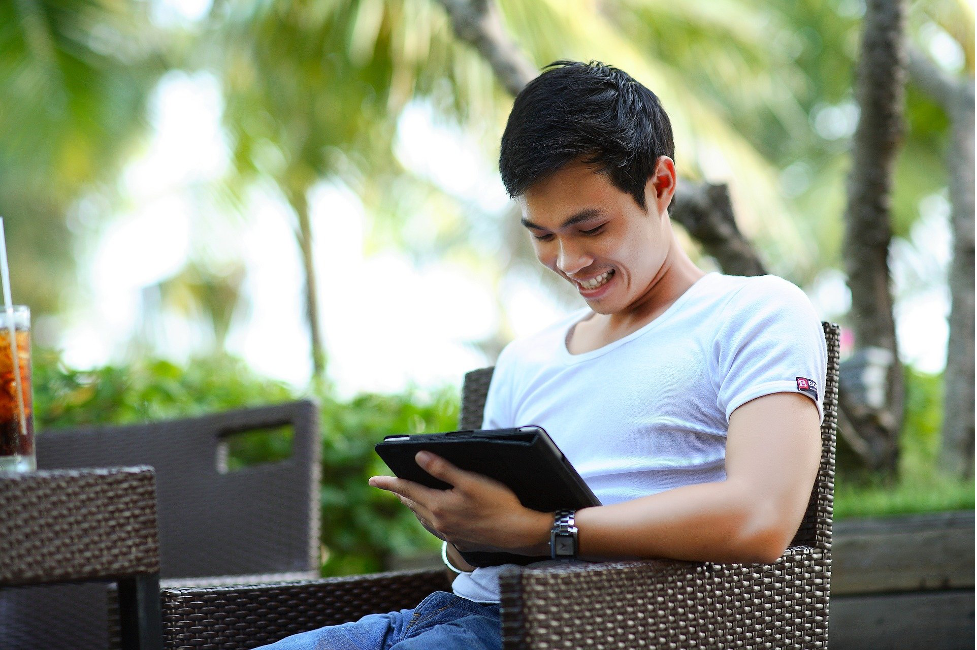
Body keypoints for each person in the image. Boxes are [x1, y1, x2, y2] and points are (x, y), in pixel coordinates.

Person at [258, 60, 827, 650]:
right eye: (543, 235)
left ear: (661, 186)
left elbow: (761, 517)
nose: (568, 260)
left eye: (590, 227)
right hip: (445, 615)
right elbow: (475, 555)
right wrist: (462, 528)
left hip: (581, 627)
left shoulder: (754, 312)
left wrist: (541, 532)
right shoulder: (526, 358)